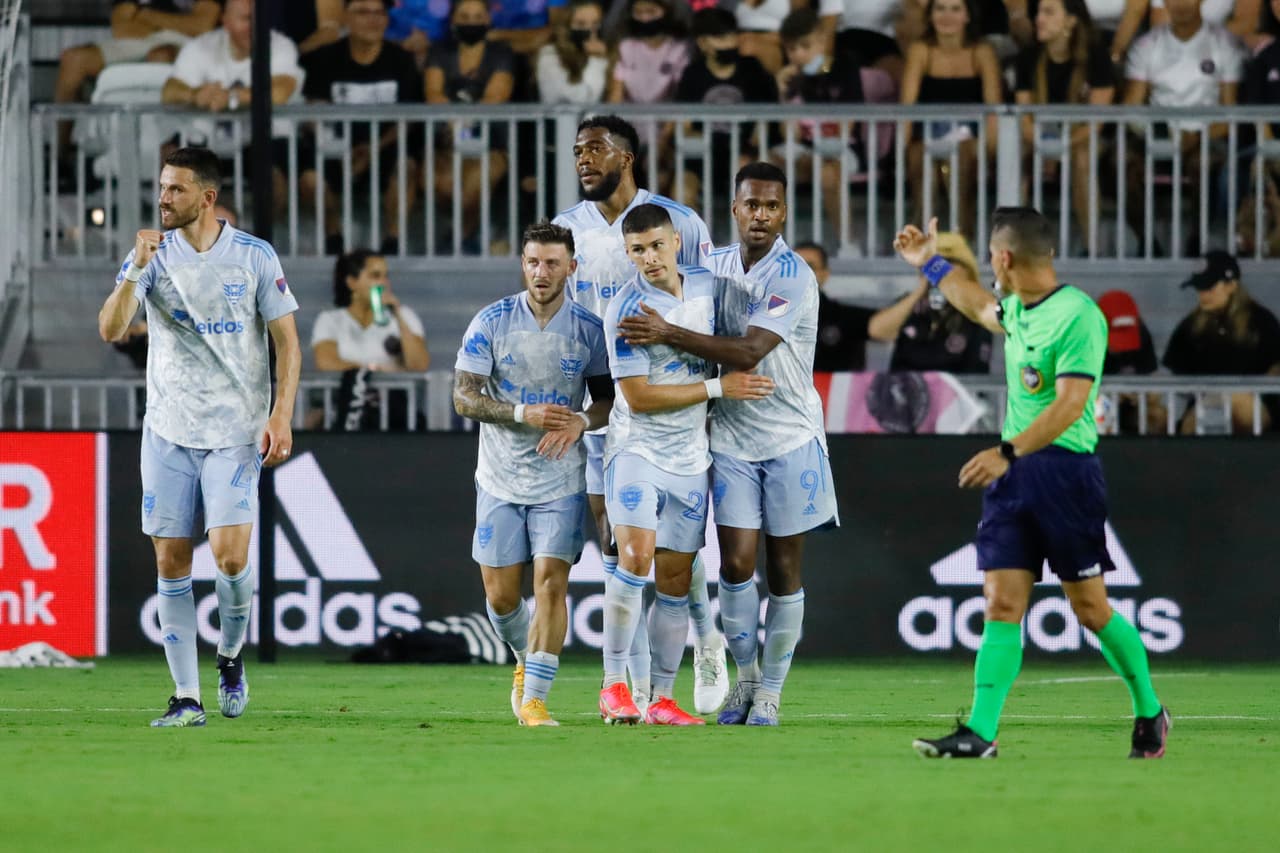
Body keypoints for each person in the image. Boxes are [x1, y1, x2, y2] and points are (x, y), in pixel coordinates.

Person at [894, 208, 1170, 759]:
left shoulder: (1079, 317)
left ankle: (1148, 710)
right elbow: (973, 300)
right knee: (1000, 603)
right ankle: (981, 732)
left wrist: (1006, 451)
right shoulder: (1018, 308)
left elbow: (1071, 405)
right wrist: (928, 262)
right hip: (1014, 479)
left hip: (1065, 474)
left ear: (1003, 257)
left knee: (1091, 610)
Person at [617, 163, 837, 726]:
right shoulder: (712, 268)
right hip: (732, 439)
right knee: (736, 567)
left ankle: (772, 693)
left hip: (790, 437)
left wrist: (667, 332)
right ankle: (746, 680)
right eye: (750, 205)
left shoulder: (793, 275)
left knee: (784, 569)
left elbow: (747, 352)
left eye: (770, 206)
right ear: (735, 210)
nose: (759, 215)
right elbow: (665, 284)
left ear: (783, 213)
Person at [97, 146, 301, 727]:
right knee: (171, 560)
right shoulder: (153, 257)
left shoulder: (254, 257)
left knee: (232, 558)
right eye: (162, 188)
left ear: (207, 198)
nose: (163, 199)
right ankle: (187, 698)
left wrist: (280, 414)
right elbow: (111, 329)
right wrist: (135, 266)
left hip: (235, 431)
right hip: (168, 430)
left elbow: (288, 342)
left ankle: (230, 657)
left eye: (175, 190)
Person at [552, 114, 728, 716]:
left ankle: (701, 641)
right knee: (622, 550)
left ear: (626, 158)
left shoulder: (684, 224)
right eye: (577, 150)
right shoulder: (565, 230)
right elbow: (555, 314)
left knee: (674, 559)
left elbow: (716, 312)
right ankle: (622, 686)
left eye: (595, 149)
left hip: (685, 419)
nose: (583, 159)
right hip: (611, 408)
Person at [598, 203, 775, 726]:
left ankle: (661, 699)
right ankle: (612, 686)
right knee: (635, 557)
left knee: (675, 581)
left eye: (656, 245)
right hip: (637, 451)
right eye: (637, 250)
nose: (649, 258)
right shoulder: (626, 310)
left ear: (676, 241)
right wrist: (720, 386)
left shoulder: (706, 286)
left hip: (691, 457)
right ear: (627, 254)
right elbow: (639, 396)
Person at [452, 221, 614, 727]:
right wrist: (524, 413)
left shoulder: (589, 330)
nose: (541, 272)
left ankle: (537, 699)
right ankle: (524, 658)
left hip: (561, 476)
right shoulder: (492, 321)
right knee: (501, 598)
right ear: (522, 265)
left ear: (571, 267)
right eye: (532, 262)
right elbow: (463, 398)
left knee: (550, 583)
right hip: (499, 476)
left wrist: (582, 421)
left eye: (551, 263)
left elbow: (610, 399)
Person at [299, 0, 424, 256]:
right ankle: (333, 238)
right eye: (363, 12)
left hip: (386, 146)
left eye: (379, 13)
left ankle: (393, 241)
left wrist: (374, 149)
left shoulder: (402, 60)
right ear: (346, 17)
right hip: (334, 147)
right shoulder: (324, 58)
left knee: (407, 167)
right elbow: (314, 112)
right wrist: (340, 149)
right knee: (309, 177)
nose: (373, 19)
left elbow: (409, 118)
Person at [1122, 0, 1245, 253]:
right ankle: (1147, 243)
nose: (1181, 4)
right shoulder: (1146, 45)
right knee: (1122, 162)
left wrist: (1199, 135)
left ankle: (1196, 242)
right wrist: (1158, 134)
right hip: (1157, 135)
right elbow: (1131, 108)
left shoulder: (1224, 44)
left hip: (1207, 135)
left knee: (1203, 163)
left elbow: (1230, 113)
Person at [160, 0, 302, 216]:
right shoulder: (201, 46)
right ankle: (175, 236)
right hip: (207, 141)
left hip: (261, 140)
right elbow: (169, 91)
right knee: (170, 156)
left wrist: (231, 98)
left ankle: (267, 243)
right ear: (225, 21)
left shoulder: (280, 45)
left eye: (258, 19)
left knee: (275, 173)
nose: (254, 26)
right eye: (246, 19)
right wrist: (196, 94)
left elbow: (281, 91)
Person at [776, 9, 898, 240]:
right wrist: (783, 95)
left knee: (828, 172)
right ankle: (770, 249)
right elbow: (789, 135)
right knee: (760, 170)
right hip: (804, 149)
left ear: (821, 41)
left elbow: (846, 128)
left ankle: (847, 242)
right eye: (791, 49)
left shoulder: (845, 69)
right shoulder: (790, 79)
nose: (798, 55)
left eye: (805, 46)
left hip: (843, 149)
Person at [54, 1, 223, 151]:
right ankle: (60, 156)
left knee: (161, 55)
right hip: (135, 42)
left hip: (184, 42)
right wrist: (178, 22)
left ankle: (161, 153)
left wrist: (145, 15)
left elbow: (202, 26)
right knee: (73, 59)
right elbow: (122, 29)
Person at [900, 0, 1003, 241]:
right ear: (931, 15)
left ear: (968, 15)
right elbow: (906, 107)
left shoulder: (982, 51)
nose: (947, 16)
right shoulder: (920, 50)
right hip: (926, 133)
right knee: (920, 158)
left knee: (963, 156)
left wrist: (990, 150)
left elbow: (993, 109)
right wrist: (901, 150)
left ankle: (963, 234)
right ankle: (922, 237)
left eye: (956, 9)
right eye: (940, 8)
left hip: (971, 136)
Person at [1014, 0, 1115, 242]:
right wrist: (1041, 145)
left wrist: (1062, 147)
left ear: (1071, 20)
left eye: (1048, 12)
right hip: (1039, 136)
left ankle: (1093, 247)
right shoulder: (1028, 56)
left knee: (1082, 157)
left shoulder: (1096, 56)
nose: (1039, 18)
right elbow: (1024, 116)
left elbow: (1096, 121)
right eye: (1038, 12)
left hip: (1083, 136)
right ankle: (1012, 245)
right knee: (1015, 154)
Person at [425, 0, 516, 253]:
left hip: (491, 141)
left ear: (488, 20)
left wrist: (463, 118)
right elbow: (433, 92)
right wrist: (453, 122)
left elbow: (496, 95)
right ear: (453, 20)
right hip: (446, 137)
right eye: (464, 16)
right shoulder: (440, 51)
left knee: (472, 189)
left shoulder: (500, 53)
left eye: (478, 16)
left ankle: (459, 238)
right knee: (443, 187)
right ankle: (463, 236)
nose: (471, 22)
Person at [1163, 250, 1280, 433]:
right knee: (1195, 416)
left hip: (1258, 410)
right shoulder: (1190, 327)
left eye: (1209, 288)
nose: (1203, 295)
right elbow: (1175, 376)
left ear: (1231, 285)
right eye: (1200, 288)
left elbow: (1276, 368)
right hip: (1204, 405)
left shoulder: (1262, 322)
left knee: (1238, 399)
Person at [676, 9, 779, 215]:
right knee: (681, 191)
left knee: (751, 181)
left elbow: (766, 119)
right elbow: (685, 124)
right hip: (702, 154)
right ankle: (695, 245)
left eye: (732, 35)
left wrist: (754, 148)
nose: (730, 43)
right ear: (703, 43)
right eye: (721, 37)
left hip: (744, 153)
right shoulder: (692, 74)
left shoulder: (752, 70)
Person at [794, 240, 927, 371]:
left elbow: (881, 329)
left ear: (825, 274)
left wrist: (921, 290)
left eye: (810, 267)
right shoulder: (773, 314)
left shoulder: (842, 316)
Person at [888, 230, 993, 373]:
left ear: (968, 272)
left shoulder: (977, 314)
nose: (941, 270)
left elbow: (976, 375)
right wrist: (919, 293)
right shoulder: (908, 306)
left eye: (949, 263)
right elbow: (881, 334)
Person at [1097, 289, 1165, 435]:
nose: (1121, 348)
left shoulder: (1142, 335)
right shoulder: (1083, 342)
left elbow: (1154, 383)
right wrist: (1110, 393)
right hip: (1097, 404)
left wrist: (1143, 394)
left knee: (1157, 416)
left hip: (1135, 404)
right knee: (1099, 411)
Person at [536, 0, 613, 105]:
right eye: (581, 24)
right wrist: (596, 60)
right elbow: (581, 100)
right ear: (567, 25)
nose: (589, 31)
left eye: (595, 24)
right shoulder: (549, 54)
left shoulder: (605, 52)